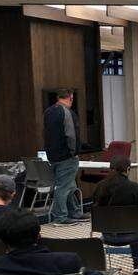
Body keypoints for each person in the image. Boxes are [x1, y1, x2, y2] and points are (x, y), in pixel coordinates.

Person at [94, 155, 138, 275]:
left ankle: (103, 267)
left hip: (107, 235)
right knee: (136, 223)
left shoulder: (100, 187)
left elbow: (96, 209)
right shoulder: (133, 187)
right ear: (127, 170)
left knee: (130, 223)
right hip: (132, 235)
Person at [42, 89, 87, 226]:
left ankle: (74, 211)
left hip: (52, 155)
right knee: (63, 187)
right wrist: (74, 153)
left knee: (69, 184)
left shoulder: (48, 112)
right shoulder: (67, 113)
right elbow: (71, 135)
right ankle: (61, 217)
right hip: (66, 156)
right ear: (70, 98)